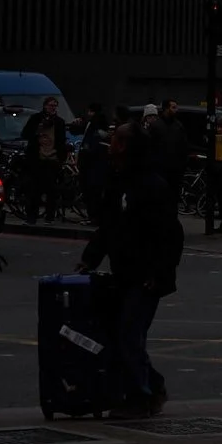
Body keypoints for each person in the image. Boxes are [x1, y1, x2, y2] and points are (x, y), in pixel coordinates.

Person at [80, 123, 184, 418]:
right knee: (120, 334)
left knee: (128, 334)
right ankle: (153, 385)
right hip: (124, 272)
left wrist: (160, 273)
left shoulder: (151, 185)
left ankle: (141, 397)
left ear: (125, 146)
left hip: (147, 276)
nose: (109, 143)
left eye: (114, 139)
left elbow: (170, 234)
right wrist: (90, 258)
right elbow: (108, 226)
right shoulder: (117, 181)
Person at [20, 94, 69, 223]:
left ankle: (49, 216)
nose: (53, 108)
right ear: (45, 106)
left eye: (55, 106)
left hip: (52, 159)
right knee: (35, 189)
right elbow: (25, 134)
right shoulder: (36, 119)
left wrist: (60, 156)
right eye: (50, 105)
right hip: (37, 158)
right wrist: (37, 131)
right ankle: (32, 216)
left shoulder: (59, 122)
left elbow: (61, 141)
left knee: (51, 190)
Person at [77, 104, 110, 224]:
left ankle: (93, 217)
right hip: (97, 163)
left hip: (91, 164)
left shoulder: (94, 124)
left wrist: (85, 152)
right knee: (95, 192)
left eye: (90, 112)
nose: (88, 114)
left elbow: (92, 143)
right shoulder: (100, 124)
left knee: (91, 192)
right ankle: (95, 217)